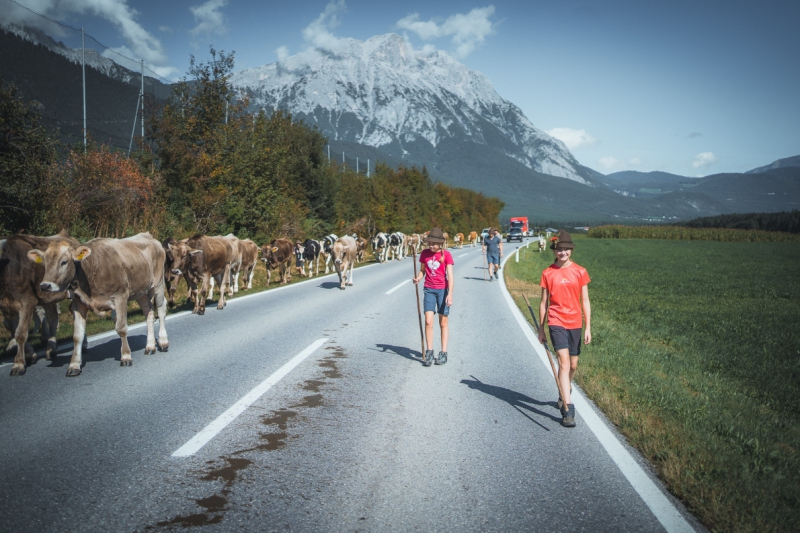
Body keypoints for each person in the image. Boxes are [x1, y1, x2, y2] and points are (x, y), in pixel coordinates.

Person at [538, 229, 591, 427]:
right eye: (559, 249)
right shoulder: (548, 273)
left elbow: (585, 300)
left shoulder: (580, 271)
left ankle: (564, 389)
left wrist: (588, 327)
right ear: (554, 251)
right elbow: (544, 303)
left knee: (574, 364)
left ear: (571, 250)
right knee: (564, 361)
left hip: (575, 322)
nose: (563, 253)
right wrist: (542, 329)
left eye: (566, 249)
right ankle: (567, 409)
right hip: (556, 321)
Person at [412, 227, 454, 367]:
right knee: (429, 321)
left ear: (440, 244)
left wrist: (450, 294)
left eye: (434, 243)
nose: (431, 245)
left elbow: (451, 276)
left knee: (443, 323)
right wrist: (418, 278)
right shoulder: (424, 254)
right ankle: (429, 352)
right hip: (429, 290)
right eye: (430, 243)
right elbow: (422, 271)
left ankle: (443, 353)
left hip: (442, 290)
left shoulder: (447, 255)